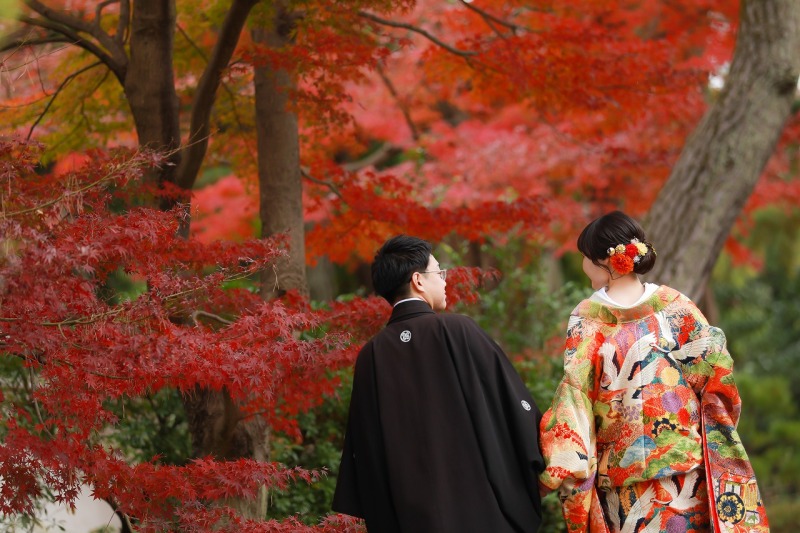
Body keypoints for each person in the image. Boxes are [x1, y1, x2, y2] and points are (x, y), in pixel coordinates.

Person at [539, 211, 769, 533]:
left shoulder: (587, 321)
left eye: (584, 257)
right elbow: (718, 377)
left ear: (605, 259)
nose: (582, 265)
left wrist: (563, 459)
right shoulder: (676, 308)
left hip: (626, 478)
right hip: (684, 470)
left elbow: (575, 398)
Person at [332, 235, 544, 533]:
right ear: (418, 280)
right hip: (480, 513)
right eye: (439, 272)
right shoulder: (458, 331)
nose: (444, 280)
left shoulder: (371, 355)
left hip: (410, 519)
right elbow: (513, 405)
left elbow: (366, 450)